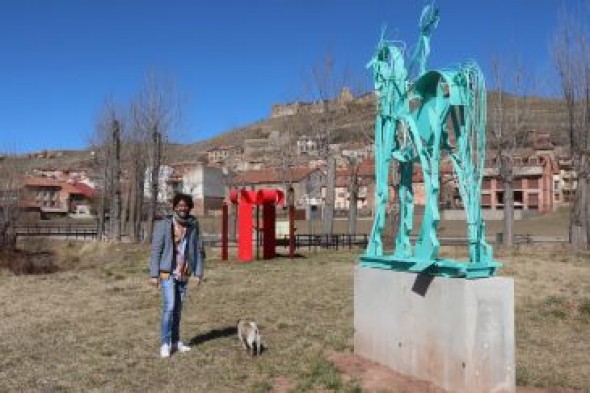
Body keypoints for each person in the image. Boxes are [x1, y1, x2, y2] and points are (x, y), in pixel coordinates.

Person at [150, 193, 204, 358]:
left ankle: (176, 341)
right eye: (180, 205)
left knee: (178, 310)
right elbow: (156, 250)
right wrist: (154, 274)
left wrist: (199, 272)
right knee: (170, 307)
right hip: (167, 272)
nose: (183, 208)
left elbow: (198, 249)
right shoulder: (164, 224)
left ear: (189, 207)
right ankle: (165, 343)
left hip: (184, 272)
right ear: (174, 207)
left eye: (186, 205)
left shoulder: (193, 225)